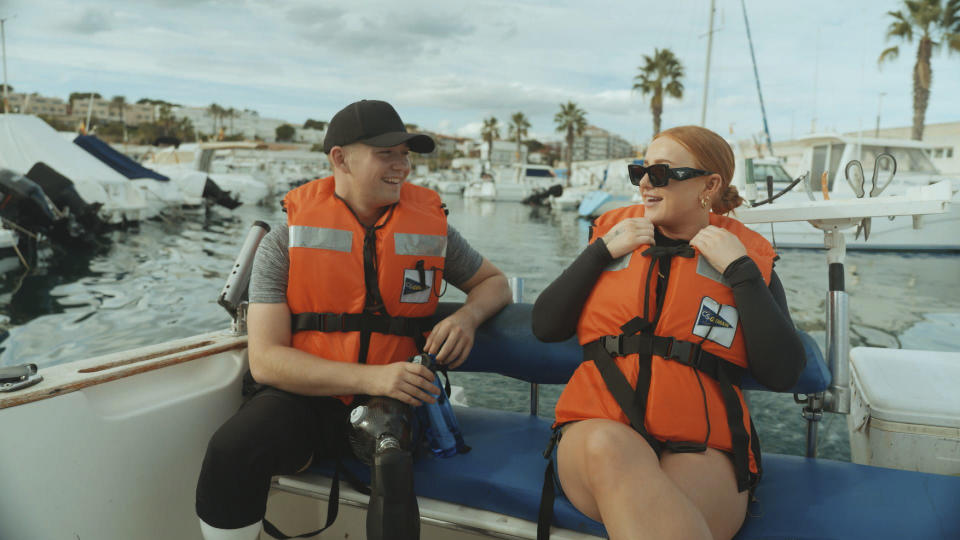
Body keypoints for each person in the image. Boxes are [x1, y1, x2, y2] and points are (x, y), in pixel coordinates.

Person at [196, 99, 512, 540]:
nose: (402, 166)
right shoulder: (285, 241)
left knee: (393, 465)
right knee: (231, 450)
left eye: (406, 155)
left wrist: (467, 318)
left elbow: (495, 284)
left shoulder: (432, 231)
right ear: (340, 159)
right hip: (306, 396)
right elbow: (266, 361)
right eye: (387, 153)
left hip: (394, 400)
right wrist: (372, 377)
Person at [532, 125, 806, 540]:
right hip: (596, 429)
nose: (644, 182)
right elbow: (545, 326)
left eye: (660, 173)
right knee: (610, 447)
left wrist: (742, 274)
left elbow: (783, 372)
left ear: (709, 185)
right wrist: (598, 253)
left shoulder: (744, 259)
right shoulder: (610, 240)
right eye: (640, 171)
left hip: (702, 445)